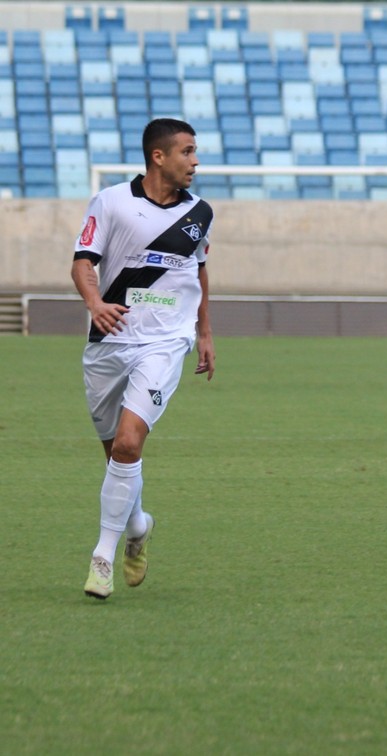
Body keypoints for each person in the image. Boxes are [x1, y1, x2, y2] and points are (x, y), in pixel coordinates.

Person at [72, 118, 216, 599]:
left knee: (130, 445)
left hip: (165, 342)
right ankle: (138, 526)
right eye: (188, 152)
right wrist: (95, 304)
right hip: (109, 342)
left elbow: (199, 273)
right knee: (116, 454)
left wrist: (204, 332)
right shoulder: (111, 201)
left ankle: (102, 558)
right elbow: (82, 262)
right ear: (159, 156)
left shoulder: (200, 213)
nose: (195, 161)